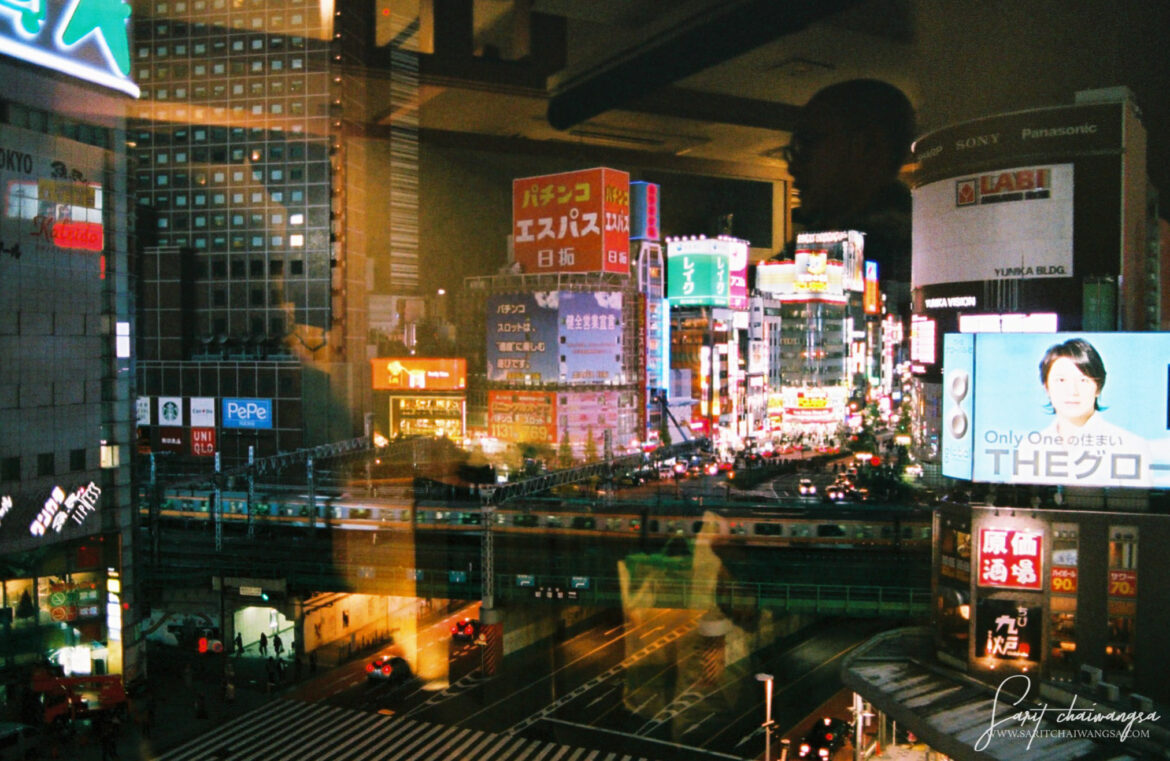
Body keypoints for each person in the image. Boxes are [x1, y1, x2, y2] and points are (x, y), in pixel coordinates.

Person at [780, 78, 915, 287]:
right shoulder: (814, 243)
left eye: (807, 145)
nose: (793, 167)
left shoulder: (897, 250)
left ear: (867, 147)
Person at [1013, 338, 1151, 486]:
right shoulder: (1029, 448)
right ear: (1047, 387)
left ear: (1098, 387)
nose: (1072, 391)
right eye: (1061, 380)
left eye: (1083, 380)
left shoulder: (1131, 447)